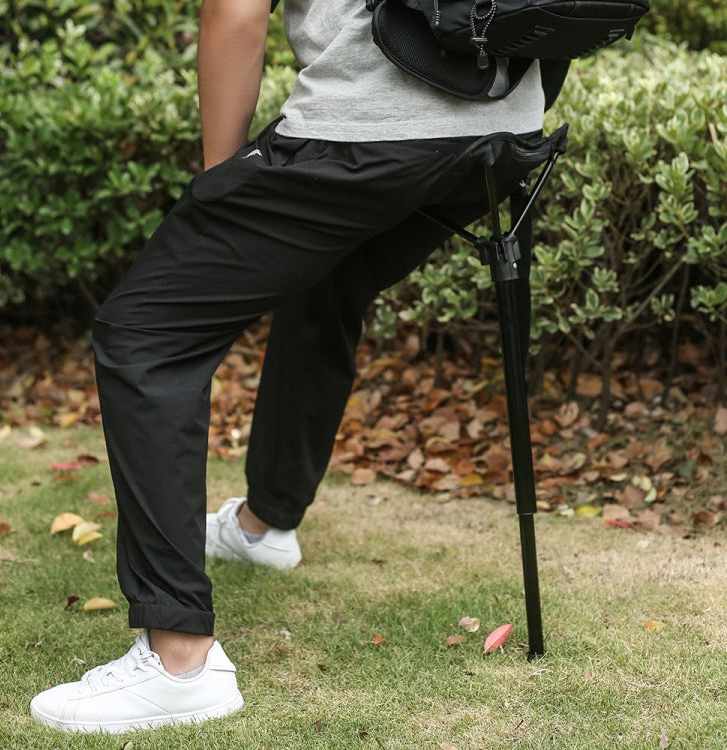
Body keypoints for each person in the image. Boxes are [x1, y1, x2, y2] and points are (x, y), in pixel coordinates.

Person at [29, 0, 553, 733]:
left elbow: (235, 11)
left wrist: (219, 186)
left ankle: (179, 663)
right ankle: (263, 527)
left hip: (368, 132)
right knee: (325, 276)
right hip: (503, 137)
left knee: (145, 334)